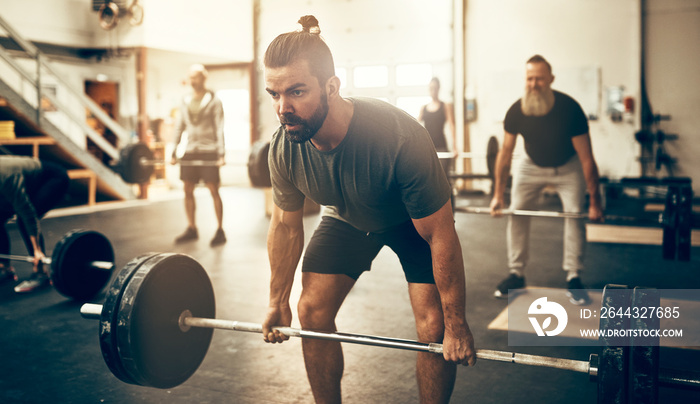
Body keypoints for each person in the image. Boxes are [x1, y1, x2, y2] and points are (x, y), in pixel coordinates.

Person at [261, 16, 476, 404]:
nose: (283, 108)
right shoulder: (283, 148)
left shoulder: (398, 136)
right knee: (310, 311)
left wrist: (456, 324)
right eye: (274, 94)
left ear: (331, 86)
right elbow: (286, 227)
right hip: (346, 217)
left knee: (434, 325)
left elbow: (439, 233)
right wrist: (277, 303)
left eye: (296, 92)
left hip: (411, 221)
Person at [489, 55, 603, 305]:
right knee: (517, 213)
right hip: (531, 164)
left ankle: (574, 277)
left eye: (539, 78)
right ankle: (516, 274)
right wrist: (498, 194)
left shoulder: (570, 109)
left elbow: (586, 159)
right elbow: (505, 154)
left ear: (550, 79)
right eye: (530, 78)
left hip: (568, 165)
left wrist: (595, 201)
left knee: (575, 215)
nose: (534, 84)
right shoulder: (517, 110)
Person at [171, 64, 226, 246]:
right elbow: (180, 126)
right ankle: (192, 227)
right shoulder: (185, 99)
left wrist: (221, 153)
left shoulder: (214, 100)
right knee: (187, 189)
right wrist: (174, 150)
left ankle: (219, 230)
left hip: (209, 151)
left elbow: (219, 127)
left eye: (196, 77)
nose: (193, 81)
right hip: (190, 150)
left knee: (213, 190)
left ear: (204, 78)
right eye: (191, 77)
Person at [0, 155, 69, 293]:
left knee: (23, 218)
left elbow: (28, 214)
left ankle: (41, 272)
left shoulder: (7, 178)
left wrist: (37, 250)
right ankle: (5, 268)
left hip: (53, 179)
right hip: (27, 182)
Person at [418, 77, 457, 177]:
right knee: (429, 177)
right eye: (431, 88)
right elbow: (416, 126)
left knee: (442, 177)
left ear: (439, 89)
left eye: (435, 88)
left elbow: (452, 125)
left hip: (441, 146)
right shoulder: (424, 108)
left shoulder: (445, 106)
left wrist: (455, 147)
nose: (433, 91)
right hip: (427, 147)